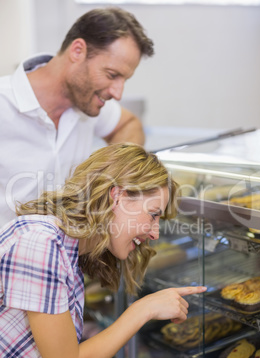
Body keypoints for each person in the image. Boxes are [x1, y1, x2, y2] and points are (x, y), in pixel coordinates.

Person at [0, 143, 207, 358]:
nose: (155, 233)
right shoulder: (40, 244)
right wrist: (143, 309)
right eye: (153, 215)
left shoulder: (67, 246)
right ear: (116, 197)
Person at [0, 7, 154, 227]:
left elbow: (129, 124)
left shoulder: (88, 102)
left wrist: (111, 176)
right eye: (112, 75)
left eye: (124, 80)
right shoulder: (3, 104)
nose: (117, 93)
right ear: (78, 51)